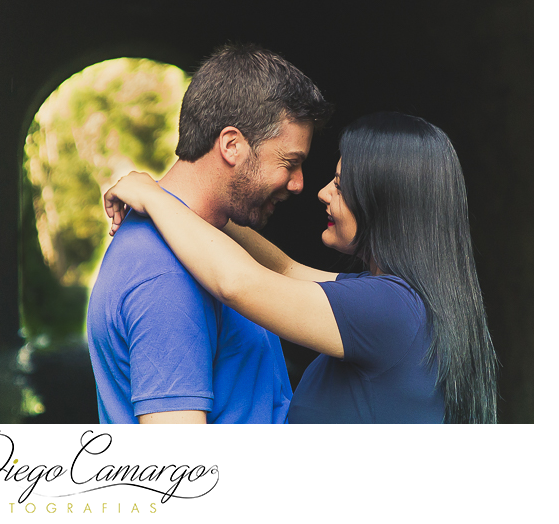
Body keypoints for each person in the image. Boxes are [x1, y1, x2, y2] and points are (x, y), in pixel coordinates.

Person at [103, 112, 498, 423]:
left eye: (341, 186)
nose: (323, 192)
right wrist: (198, 202)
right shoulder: (404, 301)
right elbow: (286, 271)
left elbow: (240, 283)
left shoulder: (388, 309)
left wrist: (153, 197)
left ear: (385, 204)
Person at [86, 43, 333, 423]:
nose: (299, 184)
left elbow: (287, 271)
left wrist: (154, 195)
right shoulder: (164, 277)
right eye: (290, 163)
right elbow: (180, 471)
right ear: (232, 145)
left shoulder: (210, 237)